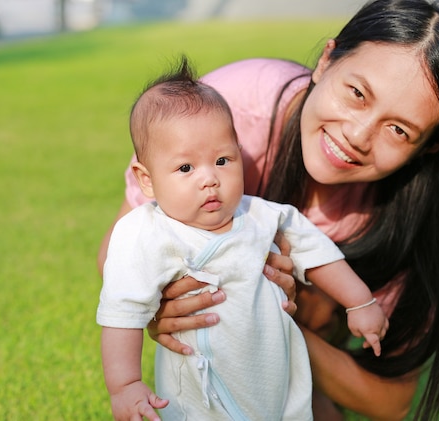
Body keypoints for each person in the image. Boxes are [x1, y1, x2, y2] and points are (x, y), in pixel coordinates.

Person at [97, 0, 439, 419]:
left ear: (429, 146)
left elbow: (389, 400)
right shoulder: (223, 114)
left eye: (398, 129)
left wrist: (273, 319)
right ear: (326, 61)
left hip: (277, 378)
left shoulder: (285, 216)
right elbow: (122, 266)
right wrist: (160, 309)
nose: (357, 135)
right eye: (357, 93)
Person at [97, 58, 389, 421]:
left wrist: (359, 301)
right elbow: (122, 311)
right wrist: (124, 385)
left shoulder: (262, 216)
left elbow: (318, 254)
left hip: (274, 379)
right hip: (200, 394)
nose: (209, 179)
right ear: (147, 180)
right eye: (186, 168)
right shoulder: (147, 233)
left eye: (222, 160)